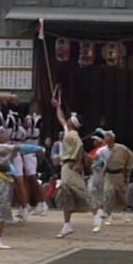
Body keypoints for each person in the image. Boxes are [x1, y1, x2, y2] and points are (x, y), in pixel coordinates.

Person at [0, 127, 44, 249]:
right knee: (1, 208)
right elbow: (19, 148)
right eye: (2, 134)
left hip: (0, 178)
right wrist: (38, 148)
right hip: (0, 180)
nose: (5, 135)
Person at [52, 96, 91, 239]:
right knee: (66, 192)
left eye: (69, 120)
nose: (66, 121)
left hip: (70, 164)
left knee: (75, 188)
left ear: (73, 124)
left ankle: (96, 209)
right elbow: (61, 118)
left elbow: (80, 146)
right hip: (66, 165)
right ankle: (66, 224)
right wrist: (58, 106)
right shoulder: (68, 131)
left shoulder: (73, 135)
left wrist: (75, 160)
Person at [98, 129, 133, 231]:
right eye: (105, 137)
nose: (106, 139)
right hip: (109, 174)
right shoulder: (102, 150)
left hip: (119, 174)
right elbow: (97, 161)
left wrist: (128, 170)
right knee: (108, 193)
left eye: (108, 136)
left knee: (121, 194)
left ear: (113, 138)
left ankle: (125, 212)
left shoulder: (122, 148)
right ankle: (109, 214)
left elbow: (131, 157)